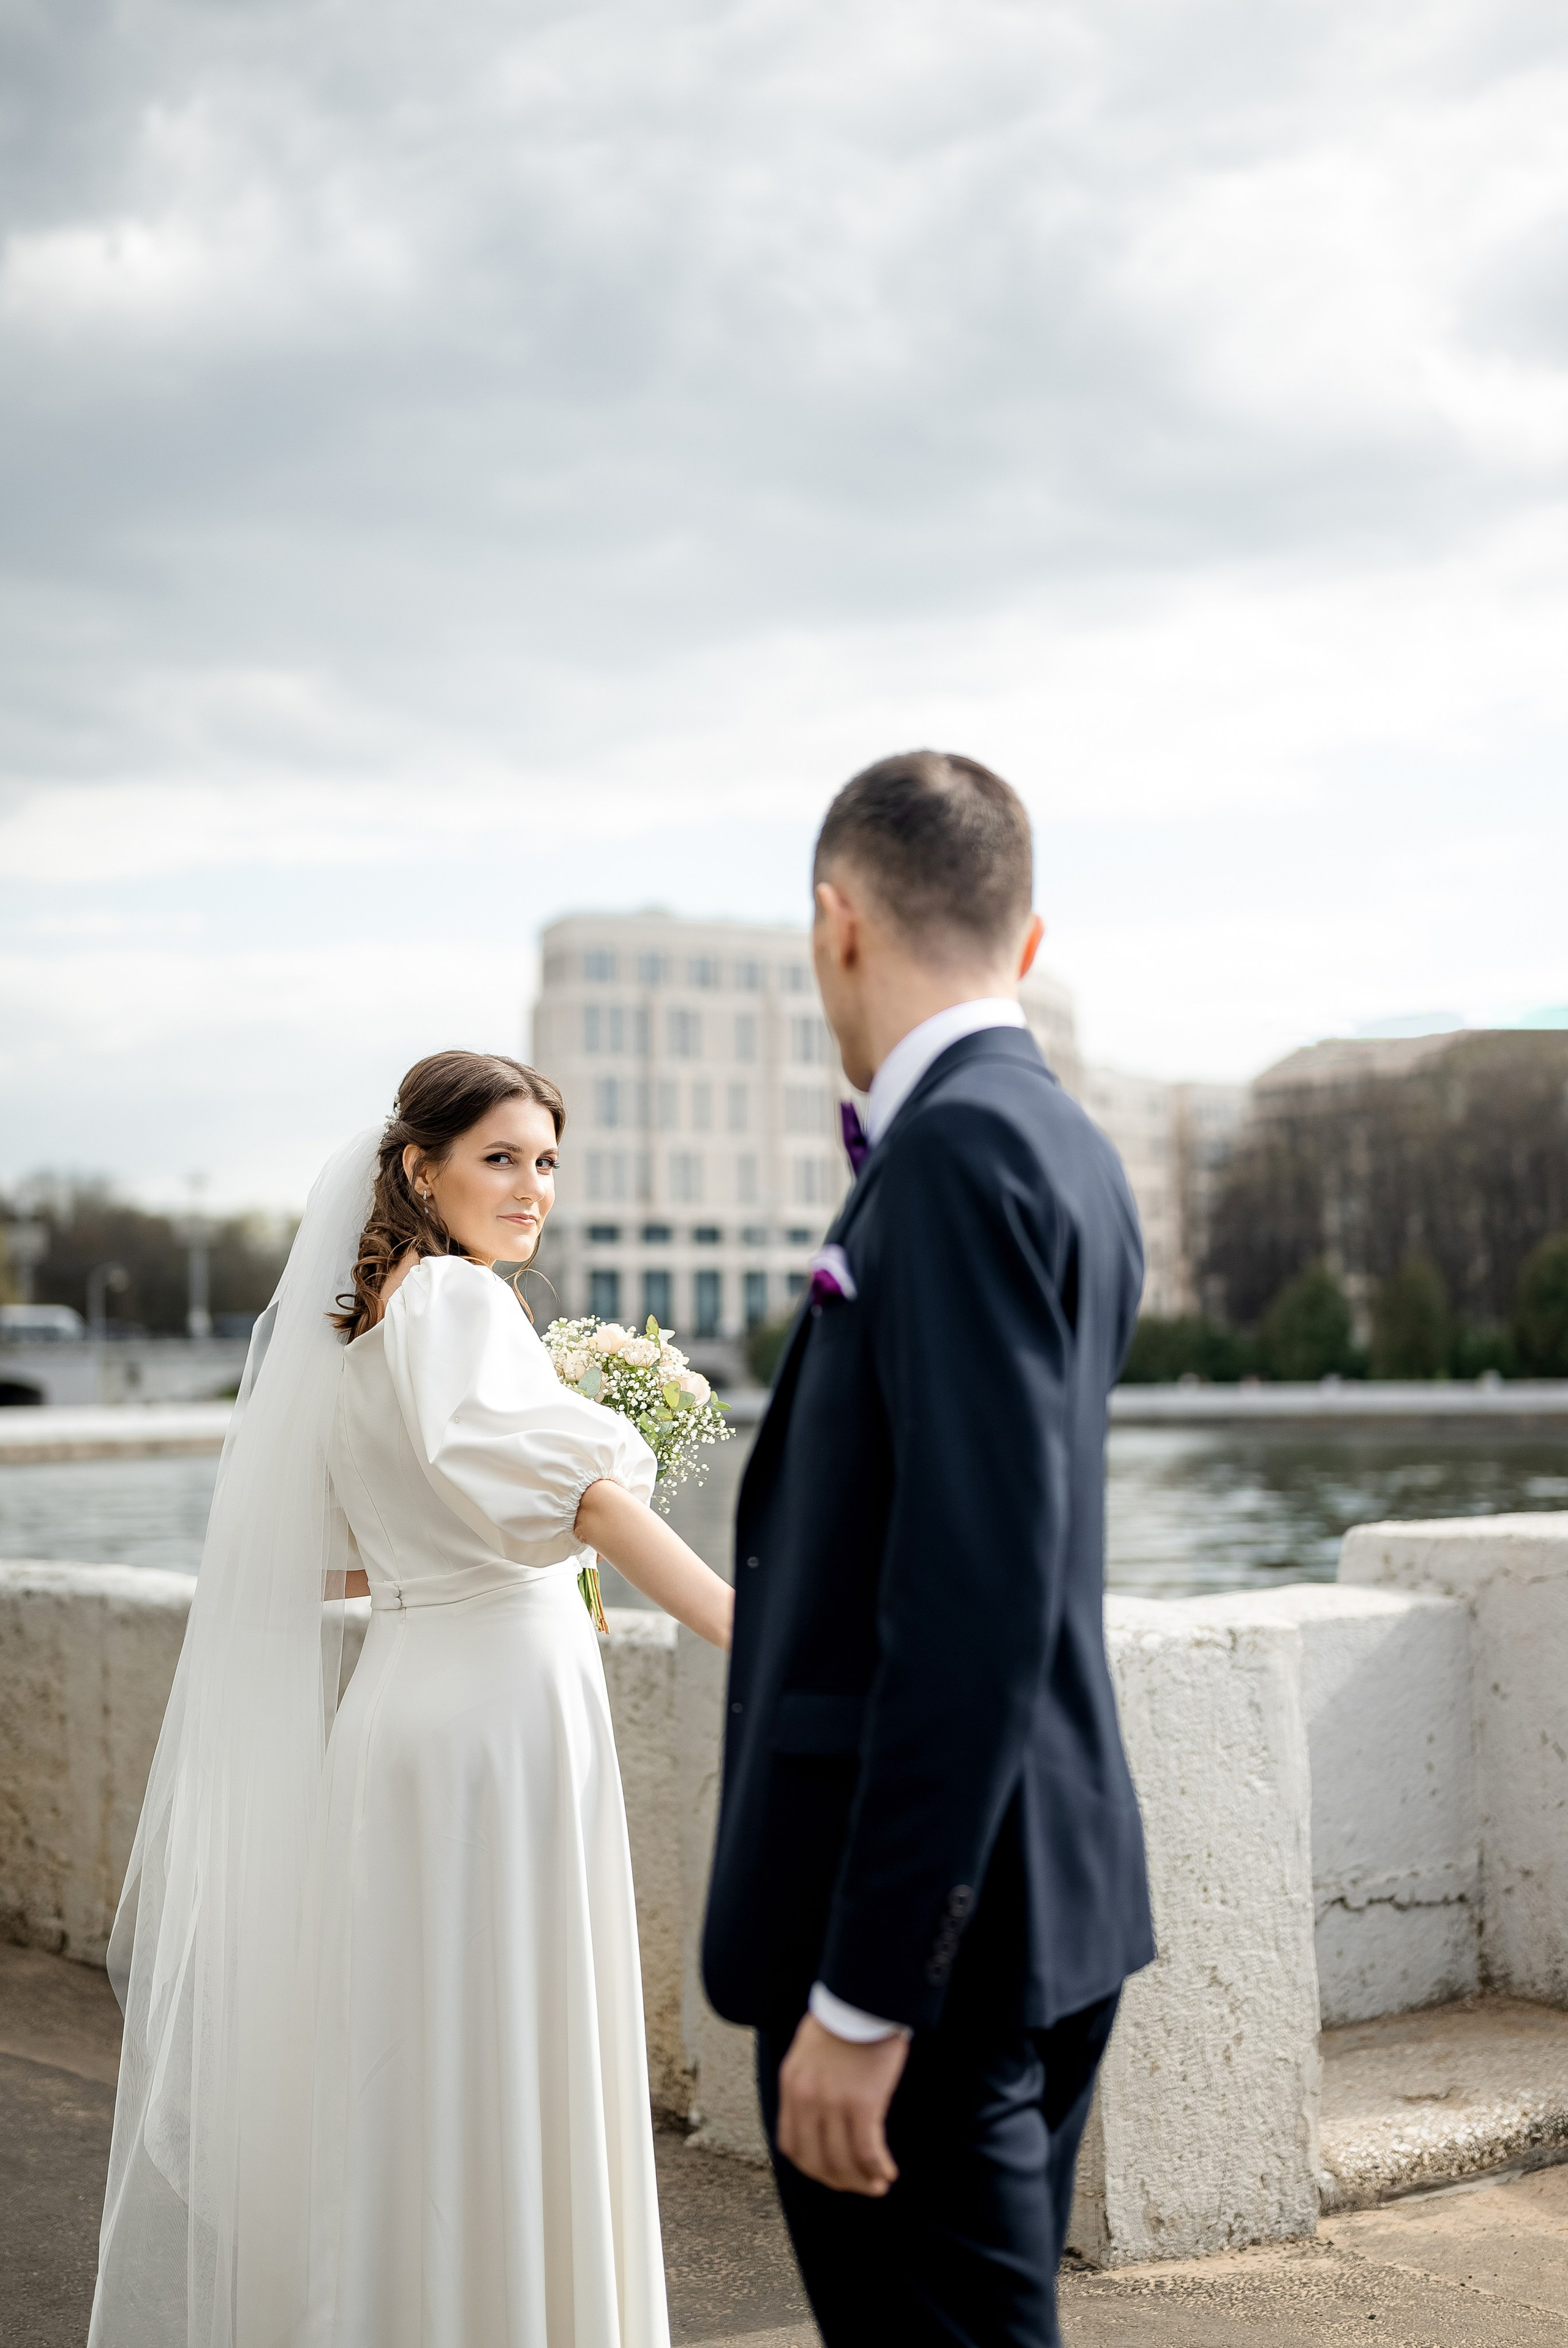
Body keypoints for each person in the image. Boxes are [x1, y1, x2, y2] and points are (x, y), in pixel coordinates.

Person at [91, 1050, 732, 2348]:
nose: (530, 1187)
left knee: (419, 2062)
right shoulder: (454, 1303)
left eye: (546, 1161)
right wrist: (745, 1628)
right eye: (499, 1157)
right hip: (490, 1717)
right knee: (498, 2056)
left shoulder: (368, 1324)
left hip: (410, 1704)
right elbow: (587, 1501)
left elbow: (334, 1549)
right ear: (416, 1167)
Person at [702, 753, 1156, 2346]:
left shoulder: (958, 1157)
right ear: (1025, 944)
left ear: (837, 923)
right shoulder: (1069, 1148)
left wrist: (867, 1991)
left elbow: (970, 1604)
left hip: (920, 1957)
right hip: (1040, 1897)